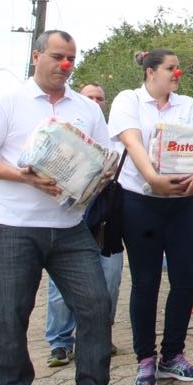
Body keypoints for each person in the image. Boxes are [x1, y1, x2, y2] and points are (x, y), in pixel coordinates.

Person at [0, 30, 142, 385]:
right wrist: (22, 176)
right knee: (10, 319)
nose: (65, 65)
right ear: (36, 56)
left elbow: (105, 161)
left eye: (71, 59)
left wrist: (90, 182)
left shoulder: (85, 108)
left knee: (96, 306)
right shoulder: (7, 103)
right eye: (58, 57)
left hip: (69, 228)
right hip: (15, 229)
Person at [108, 48, 193, 385]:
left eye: (178, 68)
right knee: (146, 282)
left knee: (185, 280)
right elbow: (131, 143)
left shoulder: (188, 105)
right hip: (141, 201)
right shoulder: (128, 100)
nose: (177, 74)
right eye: (170, 68)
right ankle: (145, 359)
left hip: (183, 203)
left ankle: (173, 356)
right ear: (150, 72)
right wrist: (152, 178)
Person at [45, 82, 124, 365]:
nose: (95, 101)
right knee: (59, 286)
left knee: (109, 281)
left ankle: (100, 335)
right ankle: (60, 342)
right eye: (90, 96)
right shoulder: (63, 135)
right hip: (69, 217)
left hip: (106, 219)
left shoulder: (113, 136)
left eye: (100, 98)